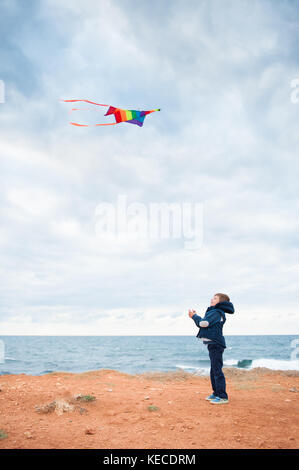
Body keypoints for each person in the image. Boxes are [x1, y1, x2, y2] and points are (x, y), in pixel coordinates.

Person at [189, 293, 234, 404]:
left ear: (220, 302)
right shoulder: (214, 311)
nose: (212, 299)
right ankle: (216, 393)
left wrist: (194, 316)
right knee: (214, 370)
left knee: (217, 371)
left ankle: (223, 396)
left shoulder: (216, 312)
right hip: (213, 344)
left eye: (215, 298)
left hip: (216, 344)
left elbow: (203, 323)